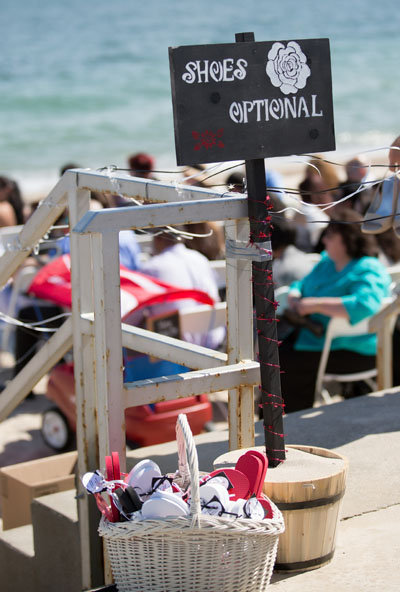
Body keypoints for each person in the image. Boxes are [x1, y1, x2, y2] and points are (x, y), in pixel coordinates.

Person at [279, 209, 391, 413]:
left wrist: (316, 305)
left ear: (347, 239)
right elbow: (301, 284)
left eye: (330, 235)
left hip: (353, 351)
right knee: (273, 350)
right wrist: (295, 295)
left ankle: (288, 421)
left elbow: (365, 304)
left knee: (281, 359)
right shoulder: (326, 263)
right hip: (315, 340)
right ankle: (278, 418)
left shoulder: (368, 267)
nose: (324, 240)